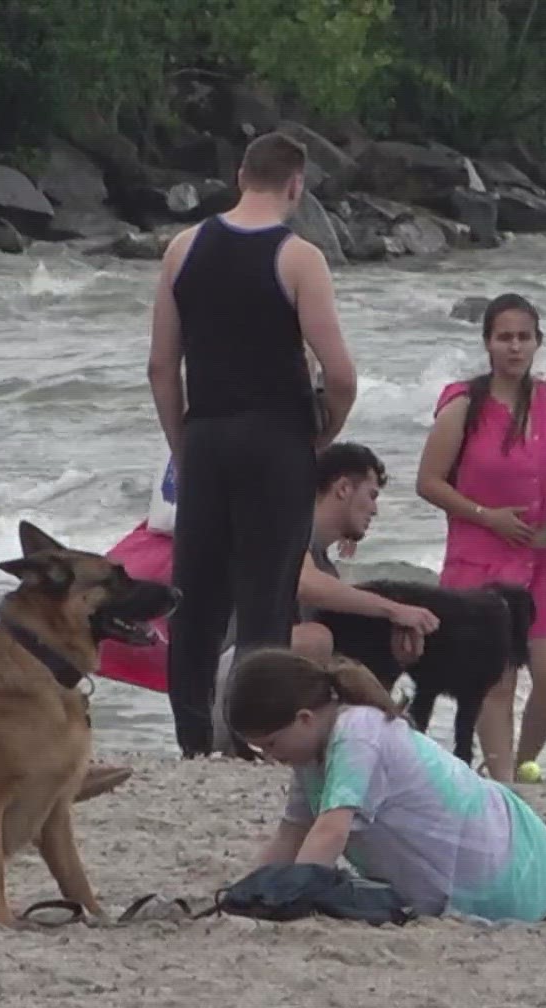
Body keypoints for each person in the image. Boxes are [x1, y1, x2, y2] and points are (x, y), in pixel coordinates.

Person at [148, 129, 360, 758]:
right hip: (277, 440)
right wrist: (327, 430)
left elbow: (162, 368)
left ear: (241, 174)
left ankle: (192, 740)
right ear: (297, 186)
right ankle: (254, 738)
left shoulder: (182, 249)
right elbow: (340, 374)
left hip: (208, 434)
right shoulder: (298, 259)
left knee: (196, 599)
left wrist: (183, 445)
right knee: (267, 599)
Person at [414, 293, 546, 784]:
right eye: (504, 337)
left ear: (538, 342)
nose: (514, 347)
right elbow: (428, 482)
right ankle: (504, 782)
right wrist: (487, 516)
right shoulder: (464, 406)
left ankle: (516, 763)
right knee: (496, 681)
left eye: (523, 337)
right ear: (487, 343)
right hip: (480, 560)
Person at [225, 647, 546, 924]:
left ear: (304, 718)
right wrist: (241, 894)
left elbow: (330, 832)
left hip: (513, 874)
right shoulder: (309, 755)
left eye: (271, 744)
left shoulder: (358, 734)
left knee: (327, 893)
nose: (271, 757)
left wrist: (286, 902)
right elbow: (292, 833)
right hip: (454, 878)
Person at [207, 442, 440, 747]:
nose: (375, 509)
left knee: (340, 656)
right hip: (227, 672)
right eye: (371, 495)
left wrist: (395, 659)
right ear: (343, 488)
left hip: (246, 676)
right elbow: (302, 582)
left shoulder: (322, 562)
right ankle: (242, 742)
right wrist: (394, 609)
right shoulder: (287, 526)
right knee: (317, 639)